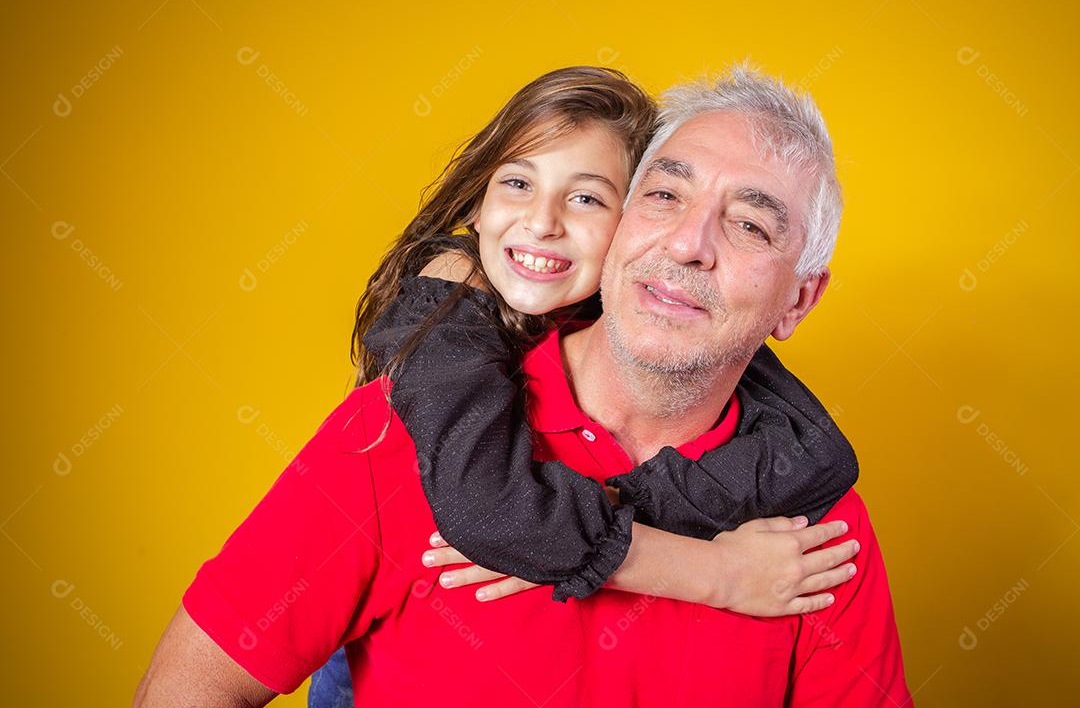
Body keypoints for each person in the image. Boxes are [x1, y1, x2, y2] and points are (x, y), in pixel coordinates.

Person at [136, 64, 910, 707]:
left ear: (797, 300)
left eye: (750, 225)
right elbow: (188, 689)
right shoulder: (413, 430)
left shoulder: (815, 537)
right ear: (627, 228)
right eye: (667, 194)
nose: (688, 242)